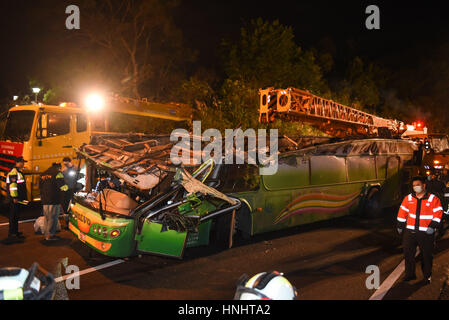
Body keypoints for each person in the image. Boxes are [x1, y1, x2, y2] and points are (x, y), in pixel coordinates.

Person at [397, 176, 443, 284]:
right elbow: (402, 212)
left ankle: (427, 276)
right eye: (413, 186)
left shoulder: (433, 199)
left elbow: (438, 214)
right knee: (408, 255)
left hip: (426, 233)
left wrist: (432, 226)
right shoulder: (408, 198)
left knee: (426, 256)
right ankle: (410, 275)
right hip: (410, 232)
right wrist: (400, 225)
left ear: (424, 185)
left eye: (417, 185)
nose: (415, 187)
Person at [39, 163, 69, 241]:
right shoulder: (57, 174)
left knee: (47, 218)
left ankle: (46, 234)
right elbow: (62, 186)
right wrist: (67, 189)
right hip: (54, 199)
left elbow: (40, 187)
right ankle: (51, 235)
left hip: (45, 199)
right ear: (59, 167)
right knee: (53, 218)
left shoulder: (43, 174)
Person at [6, 157, 28, 240]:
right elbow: (13, 187)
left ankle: (15, 232)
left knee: (16, 216)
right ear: (17, 163)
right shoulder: (14, 173)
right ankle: (12, 233)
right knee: (13, 216)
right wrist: (14, 197)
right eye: (22, 162)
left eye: (23, 162)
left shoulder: (18, 172)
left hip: (18, 198)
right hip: (15, 199)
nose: (23, 164)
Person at [61, 157, 78, 229]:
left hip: (74, 190)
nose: (65, 164)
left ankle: (73, 223)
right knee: (66, 207)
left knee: (74, 206)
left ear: (69, 161)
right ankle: (68, 224)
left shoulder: (76, 168)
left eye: (66, 163)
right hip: (67, 191)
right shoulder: (64, 170)